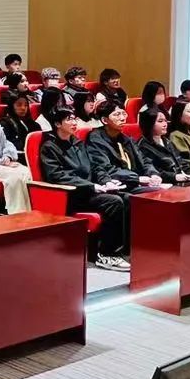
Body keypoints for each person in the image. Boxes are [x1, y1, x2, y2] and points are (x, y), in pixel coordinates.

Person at [39, 110, 131, 271]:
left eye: (75, 118)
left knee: (127, 197)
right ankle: (106, 254)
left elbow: (95, 167)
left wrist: (106, 181)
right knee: (113, 202)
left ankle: (123, 250)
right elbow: (58, 176)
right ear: (58, 124)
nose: (74, 122)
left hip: (89, 190)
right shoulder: (49, 147)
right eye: (69, 119)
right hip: (71, 195)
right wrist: (93, 186)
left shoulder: (77, 142)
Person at [85, 101, 163, 191]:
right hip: (117, 184)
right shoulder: (96, 139)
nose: (122, 118)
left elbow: (144, 160)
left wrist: (153, 174)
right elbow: (105, 168)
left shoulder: (126, 139)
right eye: (117, 115)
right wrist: (137, 178)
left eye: (124, 114)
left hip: (136, 182)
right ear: (104, 120)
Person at [137, 109, 190, 185]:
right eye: (160, 121)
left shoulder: (167, 141)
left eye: (165, 121)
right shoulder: (143, 146)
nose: (165, 124)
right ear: (149, 123)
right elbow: (152, 170)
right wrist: (174, 177)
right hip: (165, 183)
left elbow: (180, 160)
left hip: (181, 179)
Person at [0, 92, 41, 159]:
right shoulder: (6, 124)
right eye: (19, 105)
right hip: (17, 156)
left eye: (26, 105)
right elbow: (7, 146)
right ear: (12, 106)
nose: (23, 108)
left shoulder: (35, 125)